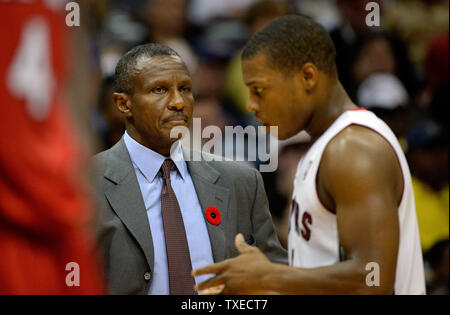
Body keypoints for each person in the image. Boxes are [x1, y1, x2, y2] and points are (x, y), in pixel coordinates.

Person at [193, 15, 426, 295]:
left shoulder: (353, 149)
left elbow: (373, 279)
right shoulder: (326, 147)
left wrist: (271, 276)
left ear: (308, 77)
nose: (251, 105)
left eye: (259, 90)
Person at [90, 43, 287, 295]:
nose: (178, 102)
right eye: (159, 89)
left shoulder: (241, 180)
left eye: (185, 89)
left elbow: (276, 275)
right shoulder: (87, 183)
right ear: (123, 104)